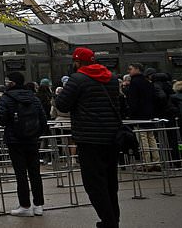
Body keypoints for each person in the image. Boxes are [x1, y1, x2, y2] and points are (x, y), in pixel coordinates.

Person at [56, 47, 123, 228]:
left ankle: (109, 222)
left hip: (89, 137)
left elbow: (62, 104)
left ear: (77, 62)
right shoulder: (111, 77)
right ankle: (112, 218)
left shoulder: (77, 79)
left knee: (94, 183)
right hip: (111, 136)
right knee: (110, 181)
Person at [0, 72, 46, 217]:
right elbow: (43, 118)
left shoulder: (6, 98)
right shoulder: (33, 97)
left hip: (15, 140)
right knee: (35, 172)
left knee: (21, 173)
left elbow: (1, 120)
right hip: (32, 140)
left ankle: (25, 205)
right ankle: (38, 205)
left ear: (11, 83)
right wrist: (37, 134)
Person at [124, 63, 159, 169]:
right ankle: (156, 161)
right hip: (149, 114)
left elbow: (132, 100)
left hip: (138, 115)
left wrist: (130, 113)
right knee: (151, 137)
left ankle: (147, 162)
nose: (129, 71)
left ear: (137, 69)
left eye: (130, 69)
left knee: (142, 137)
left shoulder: (134, 83)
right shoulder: (147, 82)